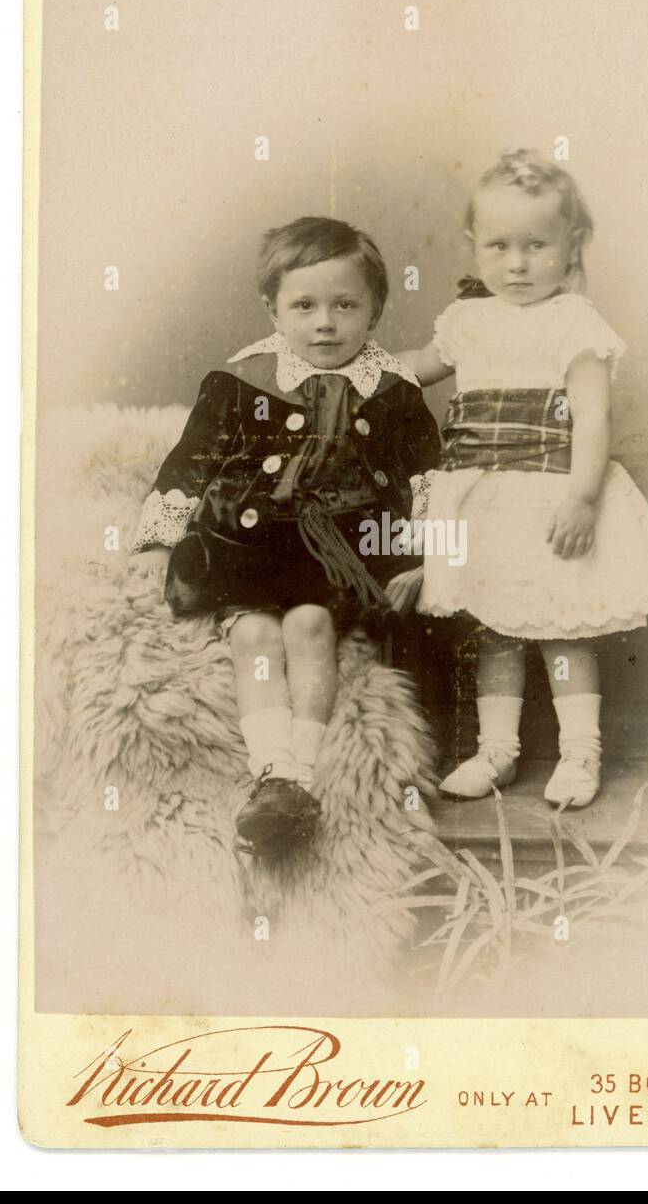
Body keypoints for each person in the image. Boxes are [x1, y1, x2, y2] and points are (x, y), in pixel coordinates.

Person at [130, 216, 440, 855]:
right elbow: (189, 464)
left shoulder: (392, 391)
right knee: (252, 631)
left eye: (345, 305)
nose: (325, 323)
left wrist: (433, 550)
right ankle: (273, 765)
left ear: (375, 310)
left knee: (309, 626)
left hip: (341, 549)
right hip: (246, 544)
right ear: (272, 309)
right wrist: (158, 541)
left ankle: (300, 769)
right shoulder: (242, 383)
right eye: (304, 306)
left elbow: (425, 475)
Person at [398, 150, 648, 808]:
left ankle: (582, 753)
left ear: (570, 246)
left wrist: (582, 499)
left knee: (560, 627)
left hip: (552, 494)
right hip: (484, 501)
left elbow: (593, 414)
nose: (517, 264)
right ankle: (498, 750)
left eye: (537, 245)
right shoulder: (465, 320)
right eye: (499, 246)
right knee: (494, 627)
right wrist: (351, 366)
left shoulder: (573, 321)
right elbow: (415, 366)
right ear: (474, 245)